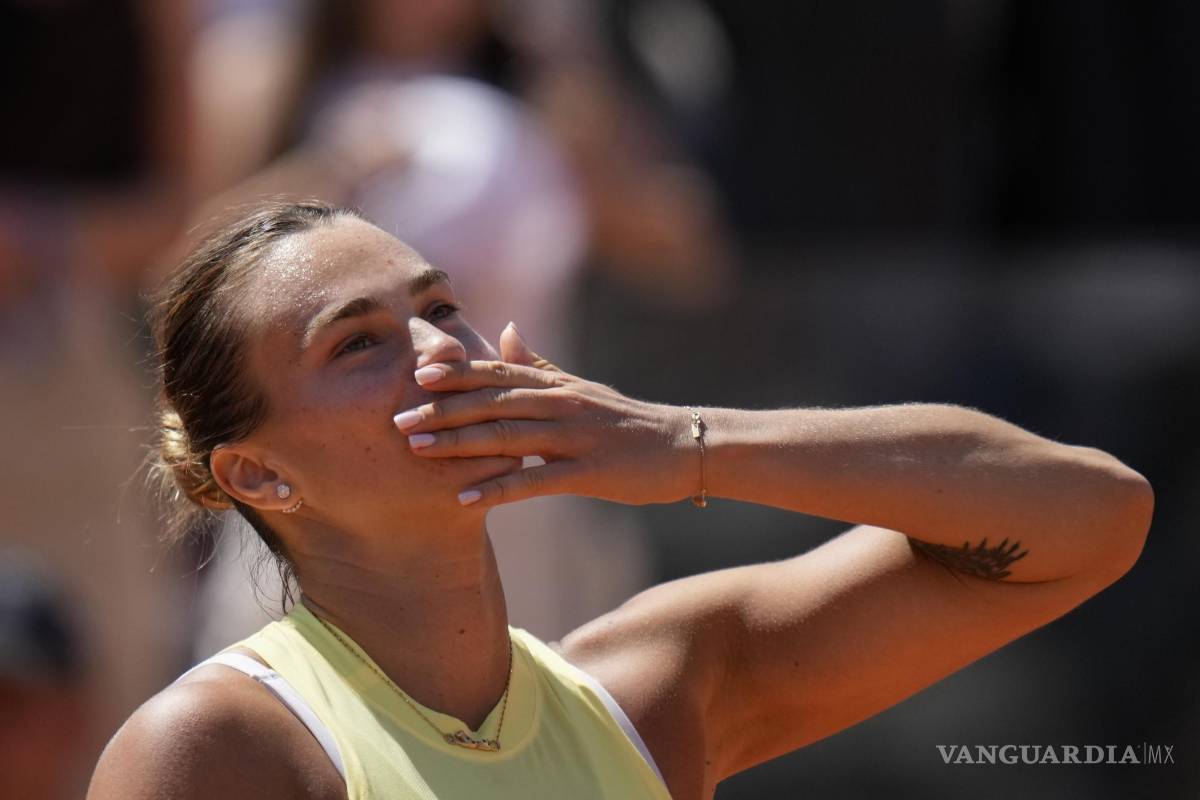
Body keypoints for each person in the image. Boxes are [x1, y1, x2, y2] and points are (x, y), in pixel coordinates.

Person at [87, 201, 1153, 799]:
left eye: (440, 306)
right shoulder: (214, 746)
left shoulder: (651, 695)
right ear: (261, 475)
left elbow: (1093, 519)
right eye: (359, 342)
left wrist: (686, 442)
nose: (441, 352)